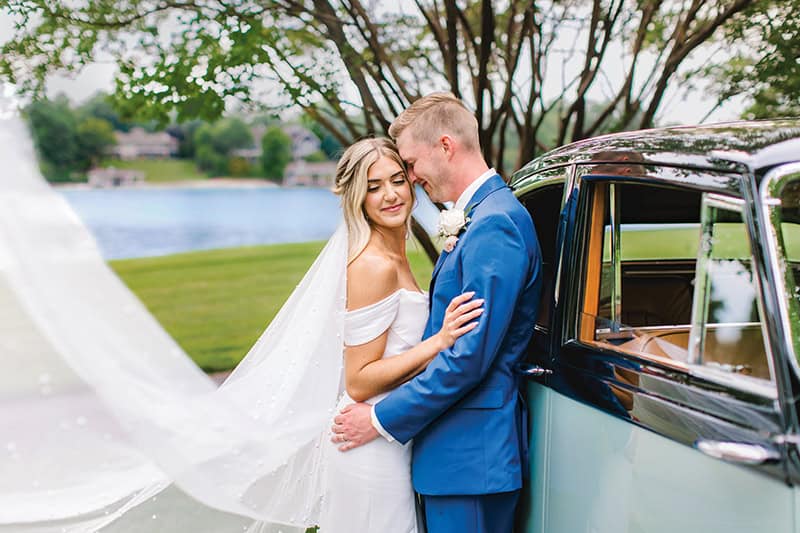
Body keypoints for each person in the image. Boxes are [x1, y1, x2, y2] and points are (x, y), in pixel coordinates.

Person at [332, 93, 543, 533]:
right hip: (455, 457)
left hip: (468, 457)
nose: (410, 180)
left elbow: (468, 358)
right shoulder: (483, 216)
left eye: (409, 165)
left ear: (445, 146)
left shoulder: (494, 225)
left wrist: (379, 418)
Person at [319, 136, 484, 533]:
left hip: (393, 437)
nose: (391, 195)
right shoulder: (373, 266)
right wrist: (439, 342)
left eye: (397, 180)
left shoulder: (396, 256)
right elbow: (358, 381)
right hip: (368, 444)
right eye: (374, 187)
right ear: (357, 197)